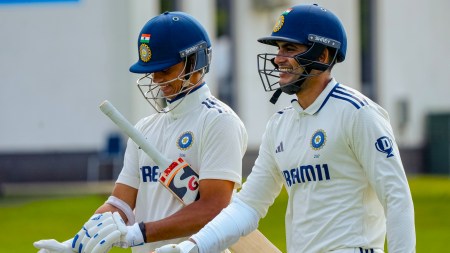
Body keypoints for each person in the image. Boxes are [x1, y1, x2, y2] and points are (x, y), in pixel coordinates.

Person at [155, 4, 416, 253]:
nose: (278, 59)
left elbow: (396, 197)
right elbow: (247, 207)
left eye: (289, 49)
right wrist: (193, 246)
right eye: (278, 48)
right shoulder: (280, 125)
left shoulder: (358, 113)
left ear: (322, 56)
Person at [33, 11, 247, 253]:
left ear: (195, 61)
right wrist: (76, 243)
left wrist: (139, 233)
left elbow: (214, 208)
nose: (156, 79)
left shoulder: (218, 121)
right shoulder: (145, 127)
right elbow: (120, 205)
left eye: (164, 69)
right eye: (151, 70)